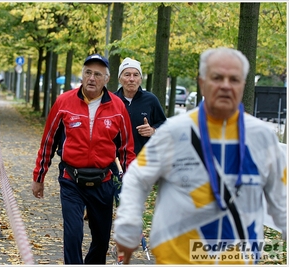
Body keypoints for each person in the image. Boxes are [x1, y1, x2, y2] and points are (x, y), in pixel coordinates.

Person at [113, 47, 287, 264]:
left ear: (244, 84)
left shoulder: (263, 137)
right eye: (217, 77)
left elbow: (282, 200)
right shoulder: (175, 132)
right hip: (180, 256)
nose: (225, 85)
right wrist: (128, 231)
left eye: (234, 79)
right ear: (202, 82)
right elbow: (136, 181)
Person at [32, 54, 136, 264]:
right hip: (72, 180)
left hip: (103, 181)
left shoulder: (118, 107)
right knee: (73, 235)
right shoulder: (64, 102)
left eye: (97, 74)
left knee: (101, 240)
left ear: (107, 79)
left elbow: (126, 150)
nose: (91, 78)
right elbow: (48, 142)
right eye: (87, 72)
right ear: (82, 75)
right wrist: (39, 176)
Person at [111, 58, 167, 263]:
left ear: (141, 78)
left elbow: (165, 127)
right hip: (114, 163)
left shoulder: (150, 100)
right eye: (127, 74)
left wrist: (153, 130)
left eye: (135, 75)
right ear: (120, 78)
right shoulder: (110, 100)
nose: (131, 79)